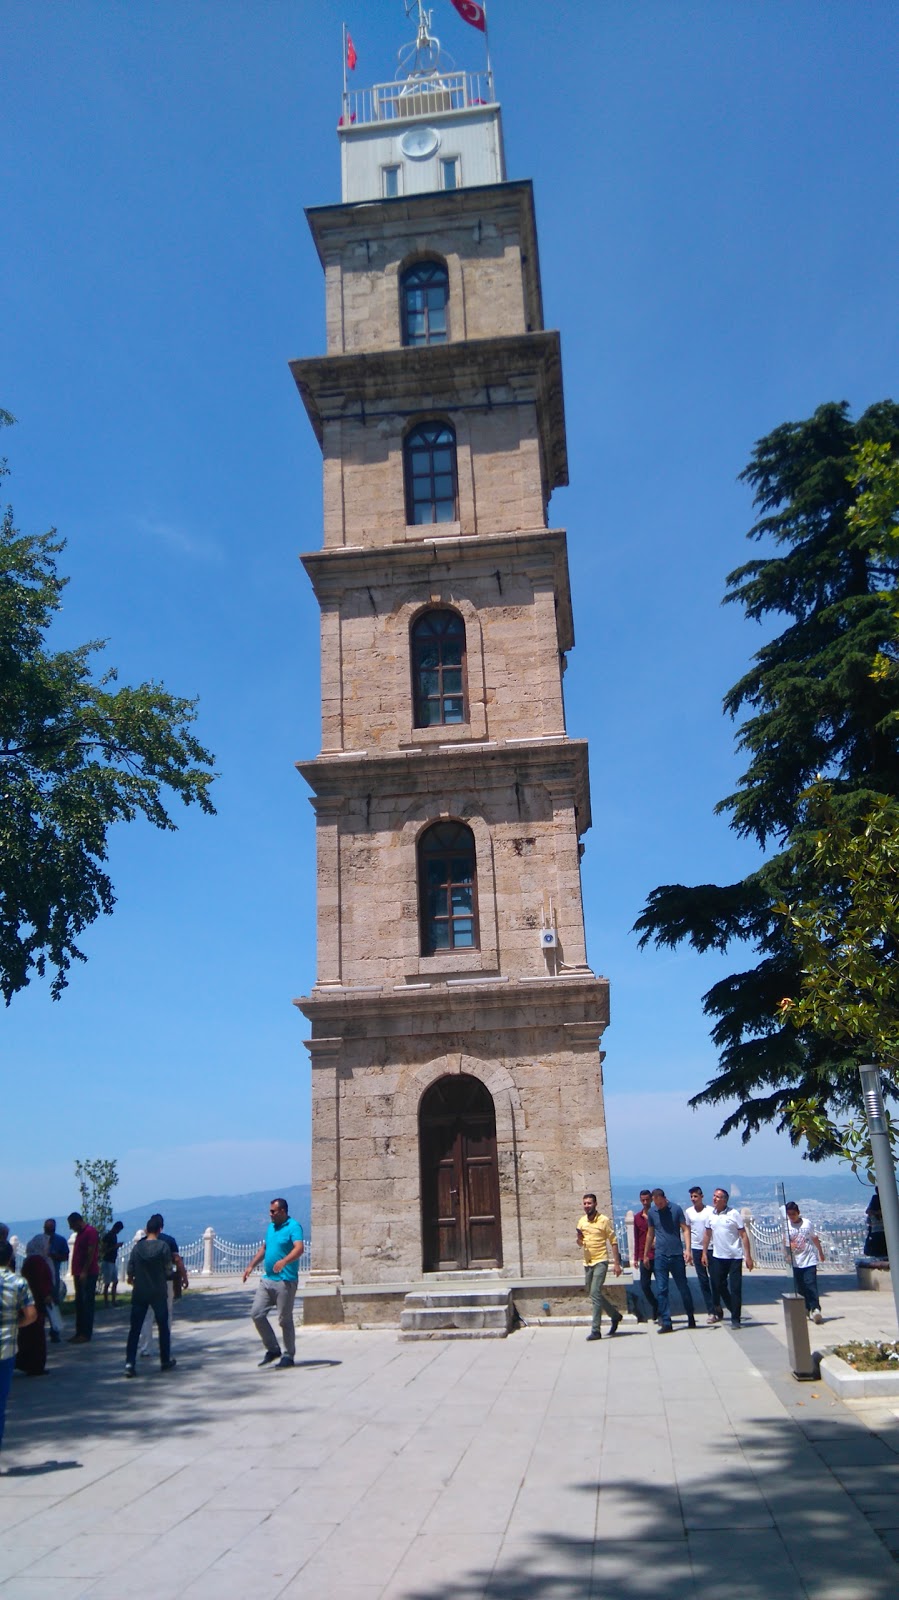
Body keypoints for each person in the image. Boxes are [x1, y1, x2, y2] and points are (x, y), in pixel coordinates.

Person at [242, 1198, 305, 1368]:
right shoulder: (271, 1227)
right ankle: (273, 1349)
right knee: (256, 1313)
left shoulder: (294, 1226)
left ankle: (288, 1355)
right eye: (270, 1211)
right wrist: (251, 1266)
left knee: (285, 1319)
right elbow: (264, 1248)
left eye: (273, 1211)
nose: (270, 1214)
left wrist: (284, 1261)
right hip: (267, 1279)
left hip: (285, 1281)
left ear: (283, 1211)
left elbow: (299, 1248)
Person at [125, 1215, 175, 1377]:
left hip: (140, 1291)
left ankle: (130, 1363)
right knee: (163, 1327)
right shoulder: (163, 1247)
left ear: (146, 1230)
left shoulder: (138, 1247)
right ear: (160, 1229)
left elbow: (130, 1270)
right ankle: (165, 1360)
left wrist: (134, 1279)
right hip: (158, 1291)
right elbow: (168, 1271)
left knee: (135, 1329)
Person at [1, 1240, 37, 1452]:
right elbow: (31, 1315)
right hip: (6, 1349)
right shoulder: (18, 1282)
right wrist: (16, 1324)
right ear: (10, 1259)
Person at [701, 1188, 754, 1329]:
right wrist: (704, 1252)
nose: (715, 1199)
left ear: (724, 1200)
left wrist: (748, 1256)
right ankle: (728, 1307)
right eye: (714, 1196)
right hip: (718, 1256)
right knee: (718, 1285)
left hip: (734, 1256)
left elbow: (743, 1235)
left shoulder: (734, 1214)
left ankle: (735, 1318)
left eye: (718, 1197)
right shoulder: (710, 1215)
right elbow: (707, 1235)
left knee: (735, 1288)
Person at [644, 1188, 696, 1334]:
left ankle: (690, 1315)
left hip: (676, 1254)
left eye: (659, 1203)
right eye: (656, 1203)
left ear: (664, 1198)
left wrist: (688, 1249)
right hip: (660, 1255)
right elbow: (650, 1233)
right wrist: (646, 1254)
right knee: (662, 1289)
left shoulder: (676, 1209)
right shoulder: (653, 1213)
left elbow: (685, 1229)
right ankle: (666, 1321)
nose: (658, 1206)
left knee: (682, 1287)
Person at [138, 1216, 188, 1357]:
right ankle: (165, 1346)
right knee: (166, 1314)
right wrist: (184, 1277)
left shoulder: (142, 1243)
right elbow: (177, 1260)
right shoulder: (169, 1241)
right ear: (161, 1227)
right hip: (166, 1282)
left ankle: (146, 1347)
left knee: (147, 1315)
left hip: (147, 1283)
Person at [576, 1192, 622, 1342]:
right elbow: (580, 1242)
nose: (587, 1206)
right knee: (592, 1292)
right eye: (585, 1203)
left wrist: (616, 1263)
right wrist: (579, 1239)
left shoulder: (604, 1220)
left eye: (589, 1203)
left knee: (595, 1291)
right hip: (587, 1262)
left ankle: (595, 1330)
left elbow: (613, 1241)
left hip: (601, 1260)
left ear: (595, 1204)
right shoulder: (581, 1222)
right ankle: (615, 1315)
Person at [16, 1242, 54, 1376]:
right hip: (37, 1301)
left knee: (27, 1335)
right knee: (36, 1336)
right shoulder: (37, 1261)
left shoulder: (28, 1261)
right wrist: (46, 1295)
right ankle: (35, 1365)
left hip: (29, 1300)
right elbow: (40, 1282)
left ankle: (25, 1363)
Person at [785, 1201, 825, 1323]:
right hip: (796, 1261)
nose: (792, 1217)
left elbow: (814, 1237)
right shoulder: (787, 1226)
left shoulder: (807, 1224)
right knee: (800, 1287)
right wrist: (787, 1254)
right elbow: (785, 1242)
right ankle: (806, 1308)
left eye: (793, 1214)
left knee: (811, 1284)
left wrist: (820, 1252)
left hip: (809, 1259)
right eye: (789, 1214)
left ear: (798, 1213)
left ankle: (815, 1308)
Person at [67, 1212, 100, 1343]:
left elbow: (91, 1251)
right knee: (79, 1303)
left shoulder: (90, 1232)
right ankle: (79, 1331)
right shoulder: (80, 1234)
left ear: (78, 1221)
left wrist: (85, 1271)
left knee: (86, 1303)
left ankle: (85, 1333)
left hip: (88, 1273)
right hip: (78, 1272)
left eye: (72, 1225)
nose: (71, 1228)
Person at [685, 1185, 716, 1323]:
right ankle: (711, 1310)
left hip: (711, 1248)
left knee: (715, 1279)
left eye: (695, 1196)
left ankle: (717, 1306)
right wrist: (688, 1250)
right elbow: (687, 1230)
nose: (693, 1199)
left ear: (701, 1197)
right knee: (703, 1281)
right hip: (696, 1248)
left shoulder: (710, 1211)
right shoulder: (689, 1212)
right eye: (691, 1196)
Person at [632, 1189, 658, 1322]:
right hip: (644, 1256)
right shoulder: (637, 1217)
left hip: (657, 1255)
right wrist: (636, 1257)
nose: (645, 1202)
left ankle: (661, 1312)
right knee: (644, 1285)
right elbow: (636, 1238)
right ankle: (655, 1304)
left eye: (647, 1200)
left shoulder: (657, 1215)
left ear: (651, 1200)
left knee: (661, 1285)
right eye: (643, 1200)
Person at [43, 1219, 69, 1302]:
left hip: (54, 1273)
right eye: (47, 1228)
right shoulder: (39, 1240)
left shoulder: (60, 1240)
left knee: (54, 1298)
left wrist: (55, 1256)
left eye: (51, 1227)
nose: (49, 1230)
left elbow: (65, 1257)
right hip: (40, 1273)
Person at [101, 1222, 125, 1305]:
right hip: (107, 1261)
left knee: (115, 1281)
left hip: (112, 1262)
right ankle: (106, 1302)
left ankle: (113, 1300)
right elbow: (103, 1250)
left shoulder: (114, 1236)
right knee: (107, 1283)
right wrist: (115, 1247)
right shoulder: (108, 1236)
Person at [864, 1191, 887, 1259]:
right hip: (886, 1233)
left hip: (875, 1234)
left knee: (879, 1255)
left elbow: (869, 1222)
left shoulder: (871, 1213)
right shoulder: (888, 1207)